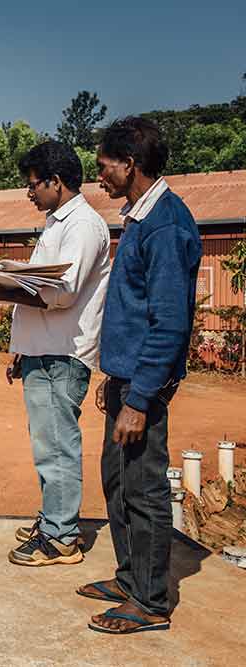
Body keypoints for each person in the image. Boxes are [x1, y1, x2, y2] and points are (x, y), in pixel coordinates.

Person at [80, 117, 201, 634]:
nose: (99, 176)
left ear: (130, 164)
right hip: (128, 381)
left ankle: (150, 602)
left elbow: (169, 321)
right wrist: (118, 378)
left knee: (144, 488)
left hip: (143, 390)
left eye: (104, 166)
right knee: (117, 480)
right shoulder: (140, 218)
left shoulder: (167, 225)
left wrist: (140, 397)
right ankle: (131, 578)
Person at [0, 141, 111, 567]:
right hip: (43, 349)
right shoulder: (58, 224)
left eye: (33, 184)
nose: (29, 192)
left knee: (57, 445)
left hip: (62, 352)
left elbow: (63, 290)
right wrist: (20, 347)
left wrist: (10, 284)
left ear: (56, 181)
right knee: (46, 443)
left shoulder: (84, 226)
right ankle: (54, 518)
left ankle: (61, 538)